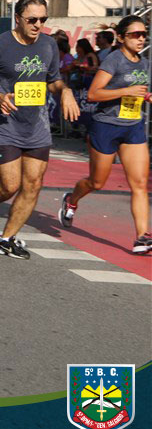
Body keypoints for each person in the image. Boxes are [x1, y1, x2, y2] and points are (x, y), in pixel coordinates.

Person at [0, 0, 80, 259]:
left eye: (43, 19)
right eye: (32, 19)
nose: (38, 25)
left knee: (34, 184)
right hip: (6, 125)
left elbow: (53, 80)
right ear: (17, 18)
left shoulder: (49, 45)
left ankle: (6, 239)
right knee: (10, 185)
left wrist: (65, 91)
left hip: (37, 126)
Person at [60, 16, 150, 254]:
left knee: (140, 184)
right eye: (135, 34)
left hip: (133, 126)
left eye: (144, 34)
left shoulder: (144, 63)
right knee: (97, 182)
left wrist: (145, 96)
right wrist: (127, 91)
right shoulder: (114, 60)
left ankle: (142, 237)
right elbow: (93, 94)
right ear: (121, 37)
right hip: (106, 126)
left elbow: (138, 92)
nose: (141, 38)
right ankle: (71, 200)